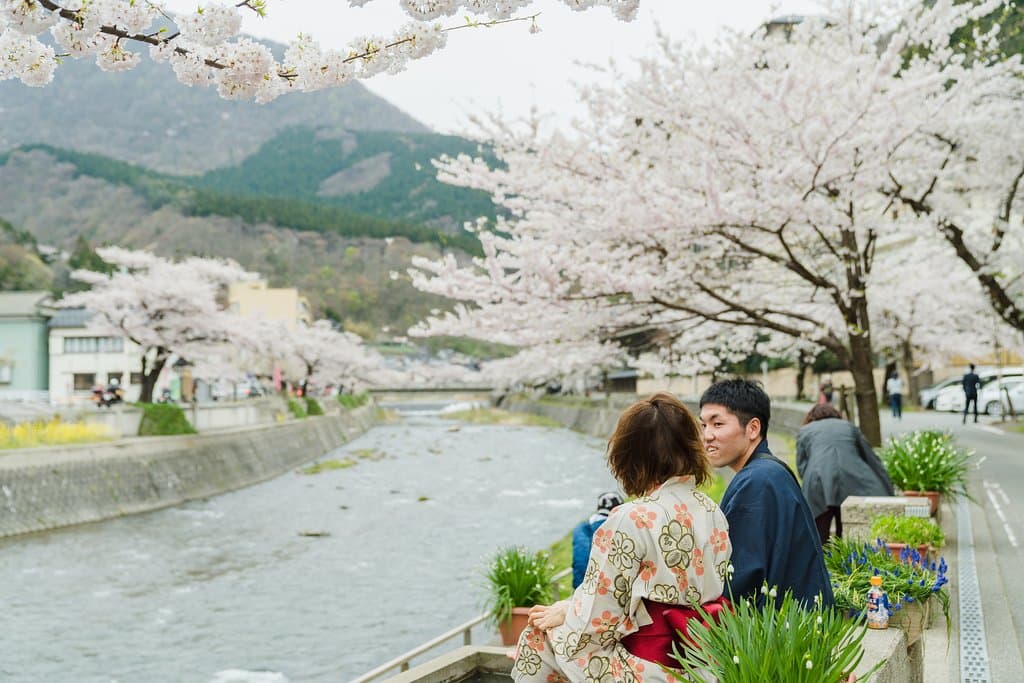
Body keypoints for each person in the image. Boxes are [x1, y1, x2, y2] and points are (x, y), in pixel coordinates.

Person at [512, 393, 732, 682]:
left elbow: (597, 619)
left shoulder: (631, 518)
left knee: (538, 637)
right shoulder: (712, 511)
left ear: (630, 455)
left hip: (650, 669)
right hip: (704, 664)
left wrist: (566, 611)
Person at [699, 378, 834, 608]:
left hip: (783, 635)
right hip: (801, 623)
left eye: (718, 424)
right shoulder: (768, 471)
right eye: (703, 425)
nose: (707, 435)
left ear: (753, 428)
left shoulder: (756, 481)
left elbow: (738, 577)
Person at [796, 404, 895, 544]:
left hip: (818, 484)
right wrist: (888, 489)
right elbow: (871, 459)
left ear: (811, 417)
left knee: (819, 537)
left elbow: (802, 467)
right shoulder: (849, 427)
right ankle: (847, 562)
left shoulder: (805, 431)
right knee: (849, 536)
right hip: (853, 481)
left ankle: (822, 563)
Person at [570, 491, 624, 589]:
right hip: (608, 588)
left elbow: (580, 562)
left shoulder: (580, 529)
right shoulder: (616, 525)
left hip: (581, 586)